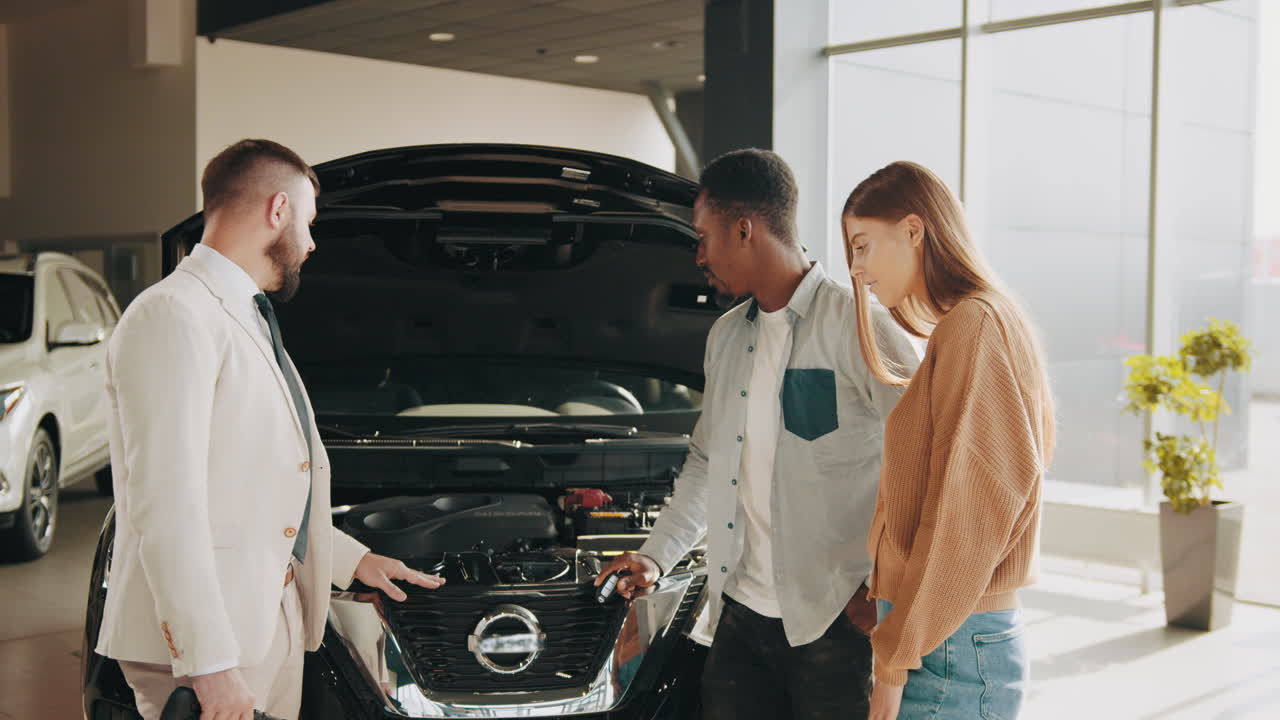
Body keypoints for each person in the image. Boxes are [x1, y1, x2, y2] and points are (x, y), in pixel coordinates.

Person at [95, 139, 445, 720]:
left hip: (264, 616)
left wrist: (352, 560)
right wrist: (209, 666)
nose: (310, 242)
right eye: (308, 222)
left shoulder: (244, 315)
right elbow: (165, 504)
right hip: (212, 643)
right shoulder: (173, 314)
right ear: (277, 210)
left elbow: (256, 485)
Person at [595, 148, 920, 719]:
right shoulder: (724, 338)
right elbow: (705, 463)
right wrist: (656, 556)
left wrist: (886, 587)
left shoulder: (861, 328)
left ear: (744, 229)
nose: (698, 256)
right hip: (739, 615)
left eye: (703, 237)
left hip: (833, 620)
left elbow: (927, 462)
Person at [841, 161, 1055, 720]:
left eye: (863, 246)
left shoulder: (975, 325)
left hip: (950, 645)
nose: (858, 270)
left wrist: (894, 658)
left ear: (914, 230)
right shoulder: (979, 322)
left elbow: (968, 510)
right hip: (948, 633)